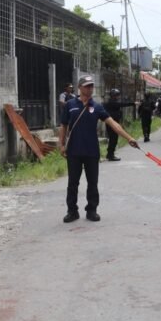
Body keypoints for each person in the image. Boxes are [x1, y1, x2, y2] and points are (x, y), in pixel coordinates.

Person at [59, 76, 138, 223]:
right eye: (87, 86)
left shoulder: (97, 106)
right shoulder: (70, 105)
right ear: (80, 87)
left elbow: (113, 124)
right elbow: (63, 126)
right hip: (74, 151)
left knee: (92, 182)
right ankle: (72, 211)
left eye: (91, 86)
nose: (90, 88)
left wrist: (129, 138)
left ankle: (92, 210)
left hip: (92, 152)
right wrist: (61, 144)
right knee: (72, 183)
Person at [103, 88, 136, 162]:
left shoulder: (113, 102)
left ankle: (110, 154)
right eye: (116, 95)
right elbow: (122, 104)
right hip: (111, 124)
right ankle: (110, 155)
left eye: (118, 95)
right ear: (112, 95)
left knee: (114, 139)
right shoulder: (111, 103)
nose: (118, 97)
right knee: (113, 139)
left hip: (115, 123)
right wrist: (133, 103)